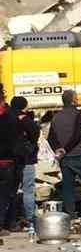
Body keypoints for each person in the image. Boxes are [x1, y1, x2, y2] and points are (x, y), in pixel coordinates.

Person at [48, 90, 81, 219]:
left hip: (64, 158)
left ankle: (71, 216)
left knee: (68, 186)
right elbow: (77, 135)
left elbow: (51, 137)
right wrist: (65, 149)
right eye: (76, 98)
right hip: (77, 155)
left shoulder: (56, 117)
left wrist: (58, 149)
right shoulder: (78, 114)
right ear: (73, 100)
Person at [8, 96, 38, 235]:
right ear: (23, 106)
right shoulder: (24, 119)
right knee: (28, 190)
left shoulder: (6, 118)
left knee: (11, 191)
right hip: (26, 159)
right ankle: (30, 219)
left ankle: (11, 220)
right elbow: (35, 133)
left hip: (9, 161)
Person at [0, 87, 18, 239]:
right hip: (6, 161)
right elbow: (15, 140)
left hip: (6, 160)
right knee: (4, 194)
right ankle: (3, 224)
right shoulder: (9, 117)